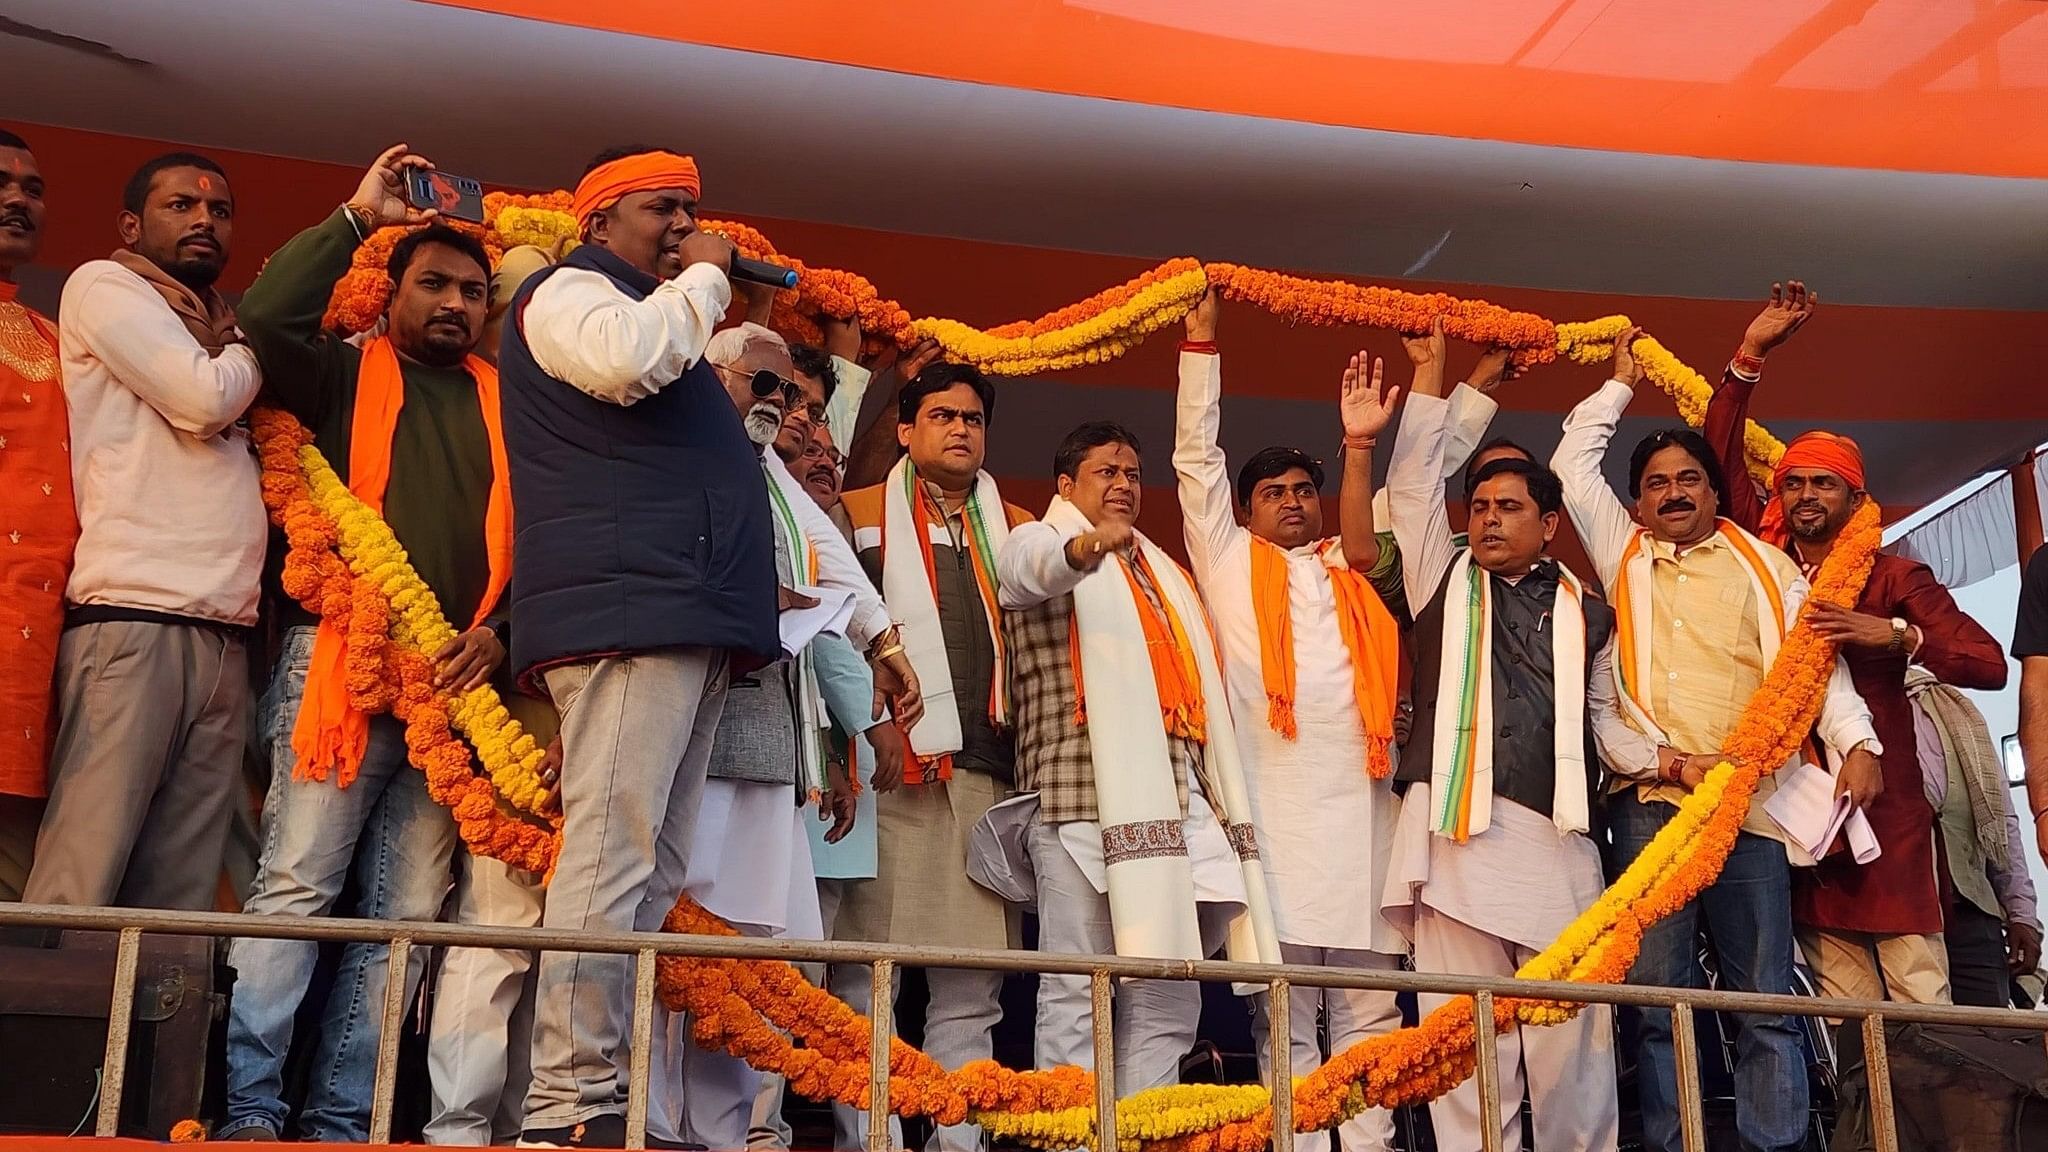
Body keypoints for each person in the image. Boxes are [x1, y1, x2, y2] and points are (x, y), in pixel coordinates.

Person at [215, 145, 510, 1141]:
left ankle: (344, 1120)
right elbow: (264, 320)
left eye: (473, 290)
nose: (456, 303)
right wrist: (355, 215)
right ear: (387, 292)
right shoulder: (340, 373)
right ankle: (252, 1113)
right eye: (432, 282)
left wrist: (500, 637)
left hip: (454, 692)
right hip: (339, 662)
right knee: (296, 888)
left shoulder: (508, 406)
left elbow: (541, 547)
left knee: (406, 914)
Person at [498, 145, 773, 1148]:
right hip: (630, 614)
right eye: (664, 210)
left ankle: (605, 1102)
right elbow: (624, 364)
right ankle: (567, 1105)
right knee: (611, 860)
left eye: (692, 213)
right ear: (599, 219)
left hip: (679, 617)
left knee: (651, 869)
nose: (681, 229)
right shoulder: (570, 295)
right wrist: (707, 274)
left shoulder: (657, 314)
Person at [1552, 329, 1883, 1152]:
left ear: (1713, 493)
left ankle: (1776, 1143)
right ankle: (1673, 1142)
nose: (1673, 493)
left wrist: (1858, 743)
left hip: (1752, 807)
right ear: (1635, 503)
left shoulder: (1768, 568)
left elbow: (1815, 671)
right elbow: (1570, 465)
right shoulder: (1621, 551)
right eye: (1657, 483)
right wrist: (1620, 386)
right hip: (1653, 806)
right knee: (1661, 998)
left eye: (1689, 479)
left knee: (1763, 997)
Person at [1700, 282, 2007, 1008]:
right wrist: (1749, 356)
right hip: (1798, 811)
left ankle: (1936, 1129)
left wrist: (1897, 634)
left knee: (1922, 1005)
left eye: (1826, 485)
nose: (1807, 495)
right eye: (1795, 482)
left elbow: (1988, 663)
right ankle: (1870, 1128)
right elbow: (1718, 458)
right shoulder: (1764, 559)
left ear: (1855, 500)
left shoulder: (1894, 573)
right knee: (1843, 1016)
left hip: (1887, 813)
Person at [654, 320, 918, 1150]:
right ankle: (657, 1128)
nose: (779, 409)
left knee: (757, 949)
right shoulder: (675, 442)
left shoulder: (768, 468)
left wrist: (883, 639)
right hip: (687, 721)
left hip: (766, 738)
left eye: (793, 396)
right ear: (708, 376)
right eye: (763, 387)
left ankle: (727, 1134)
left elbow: (827, 560)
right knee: (675, 937)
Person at [1168, 289, 1406, 1152]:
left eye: (1306, 489)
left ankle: (1371, 1143)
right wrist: (1201, 345)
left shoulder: (1359, 569)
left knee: (1372, 1008)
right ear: (1246, 510)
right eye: (1274, 492)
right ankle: (1301, 1143)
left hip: (1363, 806)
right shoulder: (1228, 559)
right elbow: (1196, 460)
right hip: (1269, 813)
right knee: (1286, 1010)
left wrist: (1359, 448)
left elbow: (1391, 508)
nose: (1294, 504)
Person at [1382, 320, 1624, 1152]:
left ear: (1549, 524)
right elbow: (1413, 483)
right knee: (1465, 1043)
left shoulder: (1592, 612)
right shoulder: (1440, 579)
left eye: (1508, 507)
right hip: (1457, 841)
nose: (1487, 519)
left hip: (1556, 845)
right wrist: (1433, 379)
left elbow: (1609, 723)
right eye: (1480, 506)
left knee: (1573, 1045)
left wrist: (1672, 762)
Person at [982, 420, 1279, 1096]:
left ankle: (1142, 1132)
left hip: (1174, 810)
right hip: (1075, 806)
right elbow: (1031, 571)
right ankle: (1074, 1143)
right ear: (1065, 486)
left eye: (1130, 474)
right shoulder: (1038, 537)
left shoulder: (1160, 570)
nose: (1122, 484)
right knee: (1076, 990)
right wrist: (1086, 548)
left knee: (1170, 994)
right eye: (1105, 473)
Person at [25, 151, 262, 911]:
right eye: (181, 206)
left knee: (176, 903)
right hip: (132, 617)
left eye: (219, 211)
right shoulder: (105, 285)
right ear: (131, 225)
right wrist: (255, 345)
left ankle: (140, 1038)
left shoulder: (216, 321)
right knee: (82, 876)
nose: (203, 220)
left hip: (226, 630)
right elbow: (200, 398)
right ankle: (43, 1034)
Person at [833, 358, 1032, 1152]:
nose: (960, 429)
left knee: (969, 983)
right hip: (886, 772)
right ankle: (867, 1139)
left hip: (987, 774)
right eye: (943, 416)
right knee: (863, 976)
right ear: (906, 431)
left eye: (973, 419)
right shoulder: (853, 512)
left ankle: (957, 1141)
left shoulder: (1018, 528)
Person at [426, 242, 560, 1147]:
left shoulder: (581, 419)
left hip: (594, 706)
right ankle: (460, 1129)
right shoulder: (486, 412)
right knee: (499, 925)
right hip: (511, 706)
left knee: (569, 944)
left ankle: (531, 1128)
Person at [0, 128, 73, 901]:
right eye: (1, 181)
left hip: (37, 661)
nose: (18, 198)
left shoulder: (53, 337)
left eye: (32, 186)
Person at [1907, 669, 2042, 1008]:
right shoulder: (1850, 701)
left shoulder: (1951, 708)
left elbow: (2001, 820)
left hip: (1970, 909)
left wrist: (2022, 915)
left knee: (1988, 1044)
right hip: (1900, 914)